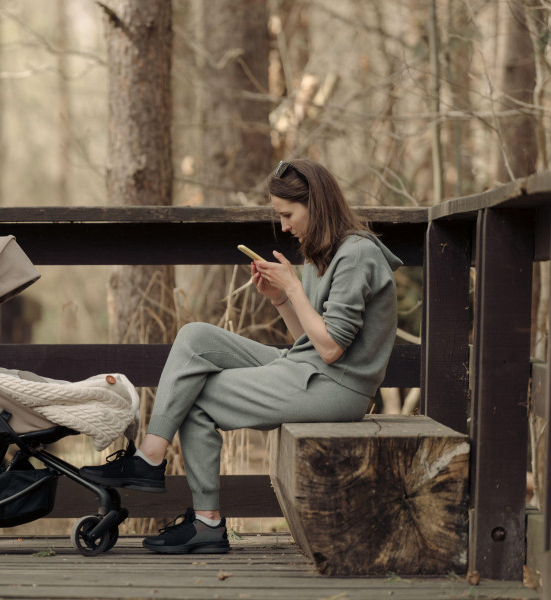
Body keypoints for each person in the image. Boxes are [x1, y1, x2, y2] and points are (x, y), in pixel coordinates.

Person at [79, 159, 403, 554]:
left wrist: (295, 289)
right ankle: (153, 459)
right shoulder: (324, 252)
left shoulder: (356, 256)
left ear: (316, 206)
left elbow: (332, 350)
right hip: (309, 368)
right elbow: (308, 340)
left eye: (288, 214)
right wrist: (281, 297)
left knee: (196, 397)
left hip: (338, 387)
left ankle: (205, 521)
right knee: (194, 336)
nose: (284, 226)